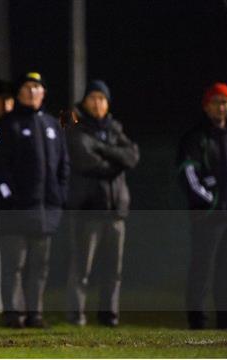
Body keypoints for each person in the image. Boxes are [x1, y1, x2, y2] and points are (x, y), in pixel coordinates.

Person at [0, 72, 70, 328]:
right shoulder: (7, 125)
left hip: (46, 210)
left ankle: (36, 314)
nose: (33, 91)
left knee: (39, 266)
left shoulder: (52, 125)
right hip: (16, 211)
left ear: (43, 93)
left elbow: (63, 165)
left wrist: (59, 196)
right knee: (14, 265)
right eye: (28, 87)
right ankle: (13, 314)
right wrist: (8, 197)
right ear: (20, 93)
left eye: (38, 87)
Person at [65, 80, 139, 327]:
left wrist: (104, 150)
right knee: (82, 270)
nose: (98, 103)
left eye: (102, 99)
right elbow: (87, 161)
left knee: (113, 271)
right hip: (89, 210)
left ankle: (109, 316)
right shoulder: (77, 127)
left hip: (116, 210)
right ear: (85, 101)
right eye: (93, 98)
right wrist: (115, 160)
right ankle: (77, 316)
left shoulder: (114, 128)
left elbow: (132, 156)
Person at [178, 82, 227, 330]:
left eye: (225, 101)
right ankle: (198, 320)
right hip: (209, 216)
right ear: (206, 106)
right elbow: (188, 173)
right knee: (202, 270)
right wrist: (210, 200)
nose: (222, 106)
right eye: (216, 101)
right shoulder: (196, 137)